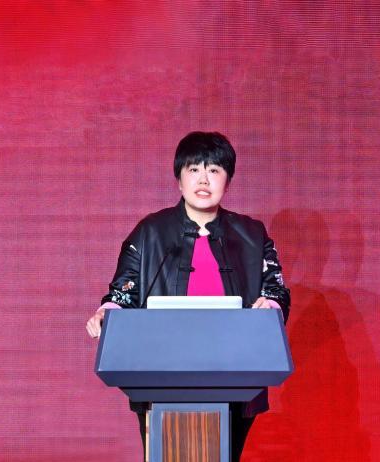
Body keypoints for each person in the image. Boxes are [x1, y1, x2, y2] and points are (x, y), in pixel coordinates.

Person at [86, 131, 290, 461]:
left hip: (235, 369)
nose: (203, 179)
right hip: (160, 370)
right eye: (194, 169)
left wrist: (269, 305)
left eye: (214, 170)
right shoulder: (150, 231)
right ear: (179, 179)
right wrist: (106, 313)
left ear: (228, 180)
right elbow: (123, 292)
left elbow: (275, 289)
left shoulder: (252, 234)